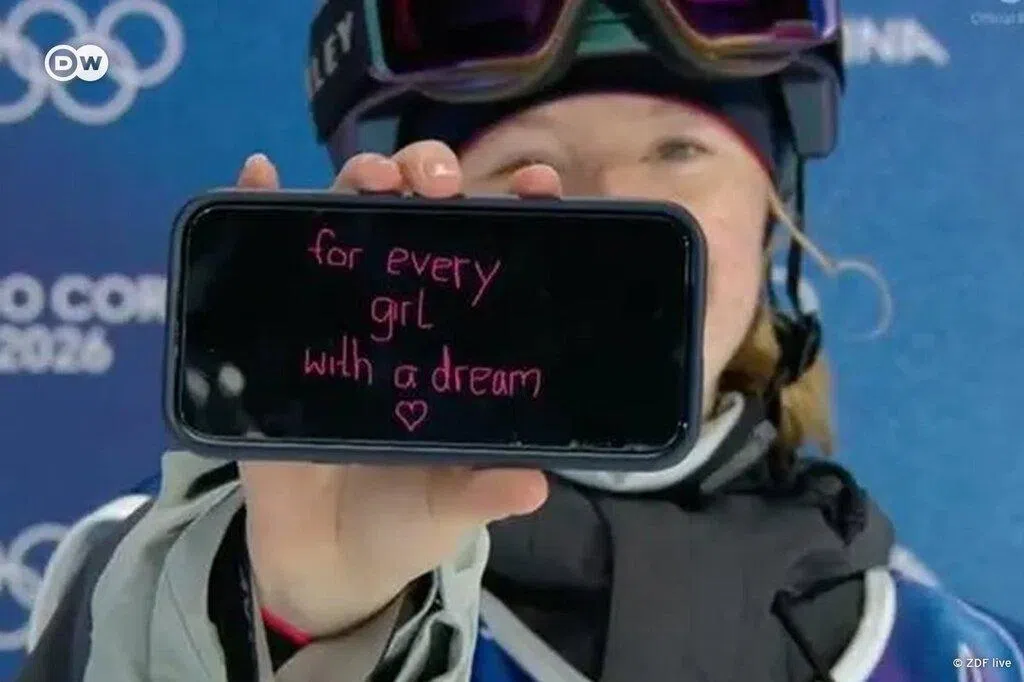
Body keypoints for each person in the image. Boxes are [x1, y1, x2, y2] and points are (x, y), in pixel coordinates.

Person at [17, 1, 1024, 681]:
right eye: (526, 164)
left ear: (773, 216)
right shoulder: (169, 568)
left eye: (678, 150)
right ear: (428, 230)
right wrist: (291, 628)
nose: (613, 203)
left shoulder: (954, 653)